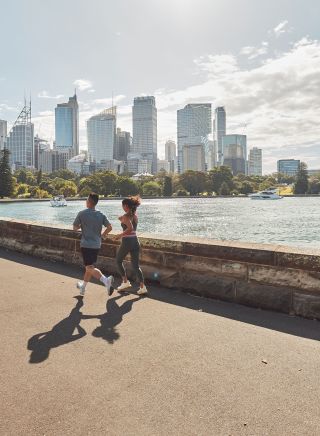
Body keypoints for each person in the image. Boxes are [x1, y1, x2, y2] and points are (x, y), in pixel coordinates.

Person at [73, 192, 114, 297]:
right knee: (89, 267)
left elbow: (75, 228)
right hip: (96, 244)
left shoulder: (82, 213)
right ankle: (83, 287)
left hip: (86, 245)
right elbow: (109, 227)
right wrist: (102, 235)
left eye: (86, 199)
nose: (86, 201)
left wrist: (83, 224)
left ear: (89, 201)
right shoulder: (101, 214)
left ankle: (106, 280)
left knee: (89, 267)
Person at [115, 196, 148, 295]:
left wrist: (119, 235)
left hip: (127, 242)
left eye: (122, 205)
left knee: (118, 260)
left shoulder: (126, 216)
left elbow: (130, 228)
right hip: (135, 241)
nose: (122, 207)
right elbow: (130, 225)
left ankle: (125, 282)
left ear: (125, 206)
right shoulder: (135, 216)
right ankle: (143, 287)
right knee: (136, 266)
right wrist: (122, 219)